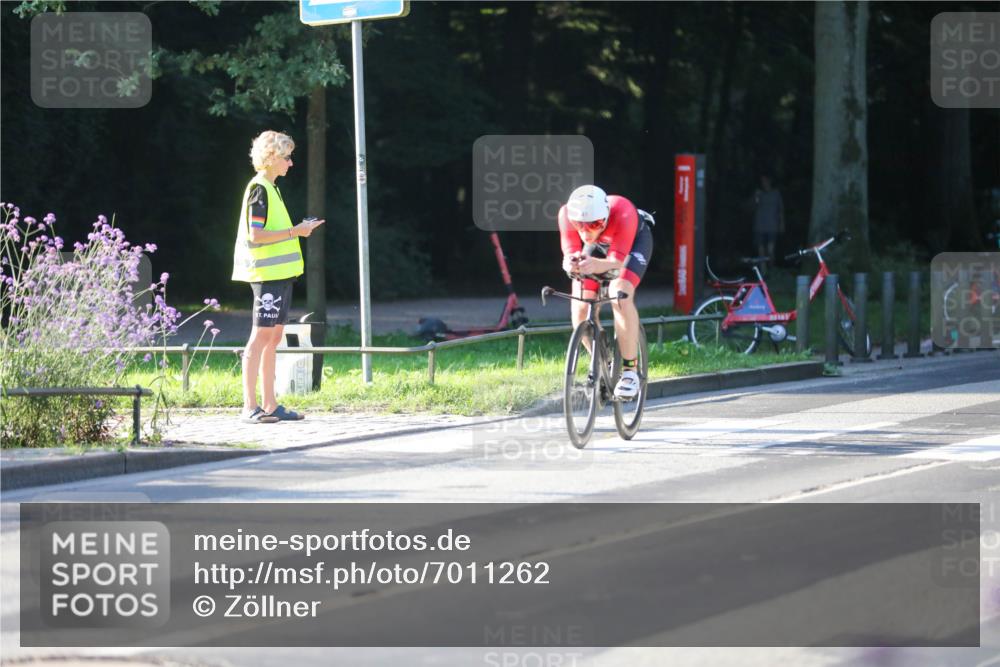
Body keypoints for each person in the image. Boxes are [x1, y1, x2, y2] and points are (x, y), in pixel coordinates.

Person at [232, 130, 324, 423]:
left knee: (274, 337)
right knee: (260, 337)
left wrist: (296, 230)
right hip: (267, 276)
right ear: (271, 158)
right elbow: (256, 235)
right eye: (286, 157)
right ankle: (250, 407)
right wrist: (295, 232)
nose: (291, 163)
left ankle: (270, 405)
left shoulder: (271, 188)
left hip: (280, 276)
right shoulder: (259, 188)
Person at [558, 185, 653, 399]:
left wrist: (595, 265)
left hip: (631, 244)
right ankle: (602, 361)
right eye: (578, 225)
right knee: (581, 308)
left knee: (619, 292)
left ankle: (630, 372)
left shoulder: (623, 211)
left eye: (594, 224)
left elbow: (615, 263)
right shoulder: (566, 213)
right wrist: (570, 262)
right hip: (599, 248)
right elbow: (571, 251)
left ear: (606, 216)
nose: (585, 231)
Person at [752, 174, 784, 259]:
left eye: (765, 180)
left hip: (772, 225)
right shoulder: (759, 194)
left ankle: (771, 270)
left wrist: (781, 224)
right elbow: (754, 206)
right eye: (762, 181)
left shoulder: (776, 193)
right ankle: (763, 270)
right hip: (760, 225)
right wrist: (756, 197)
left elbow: (780, 209)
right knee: (761, 250)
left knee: (770, 250)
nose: (764, 183)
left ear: (770, 181)